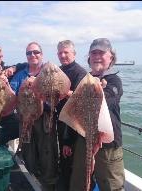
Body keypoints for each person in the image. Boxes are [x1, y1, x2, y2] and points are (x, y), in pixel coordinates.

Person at [69, 38, 125, 191]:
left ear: (111, 57)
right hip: (83, 139)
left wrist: (99, 91)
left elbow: (111, 98)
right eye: (94, 53)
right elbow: (73, 109)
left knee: (111, 185)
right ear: (89, 57)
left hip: (107, 143)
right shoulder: (84, 80)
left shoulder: (113, 80)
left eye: (101, 52)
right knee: (79, 182)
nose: (97, 56)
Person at [10, 42, 59, 191]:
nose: (33, 55)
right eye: (29, 53)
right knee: (28, 152)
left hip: (45, 119)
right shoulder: (20, 75)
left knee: (47, 154)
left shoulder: (50, 71)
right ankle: (32, 180)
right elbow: (11, 96)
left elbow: (57, 94)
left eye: (36, 52)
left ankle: (48, 184)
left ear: (41, 54)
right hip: (25, 119)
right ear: (26, 56)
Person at [55, 40, 87, 190]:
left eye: (66, 52)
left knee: (70, 159)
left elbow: (82, 102)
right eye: (60, 53)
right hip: (60, 121)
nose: (62, 55)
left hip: (72, 125)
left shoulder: (80, 73)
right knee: (63, 157)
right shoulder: (59, 70)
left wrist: (69, 139)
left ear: (74, 54)